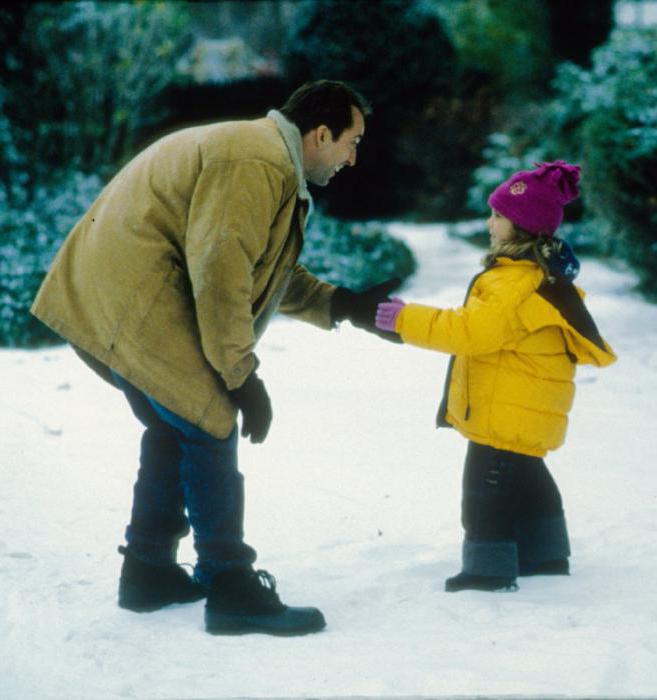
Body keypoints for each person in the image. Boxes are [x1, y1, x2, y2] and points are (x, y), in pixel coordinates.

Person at [31, 79, 398, 635]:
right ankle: (230, 586)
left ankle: (148, 571)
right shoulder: (254, 161)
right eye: (353, 141)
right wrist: (242, 376)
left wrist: (342, 304)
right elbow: (221, 271)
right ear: (321, 134)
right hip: (138, 293)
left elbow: (259, 268)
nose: (353, 158)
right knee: (208, 418)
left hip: (126, 289)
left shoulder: (265, 159)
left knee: (172, 422)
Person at [375, 161, 616, 592]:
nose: (490, 222)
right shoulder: (539, 277)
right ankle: (545, 555)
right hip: (523, 407)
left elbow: (470, 332)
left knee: (484, 491)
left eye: (499, 215)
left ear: (523, 226)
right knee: (527, 477)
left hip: (504, 411)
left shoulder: (512, 284)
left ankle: (487, 569)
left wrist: (405, 319)